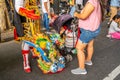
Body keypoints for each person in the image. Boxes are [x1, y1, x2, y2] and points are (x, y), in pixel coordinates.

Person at [71, 0, 103, 75]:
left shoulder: (91, 3)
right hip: (94, 29)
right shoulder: (96, 1)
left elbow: (83, 16)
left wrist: (76, 14)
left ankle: (82, 69)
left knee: (79, 48)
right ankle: (88, 60)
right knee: (90, 45)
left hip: (88, 31)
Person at [14, 0, 40, 73]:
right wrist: (27, 12)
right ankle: (25, 62)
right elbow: (18, 6)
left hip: (35, 17)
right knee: (27, 40)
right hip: (26, 18)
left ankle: (33, 51)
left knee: (35, 37)